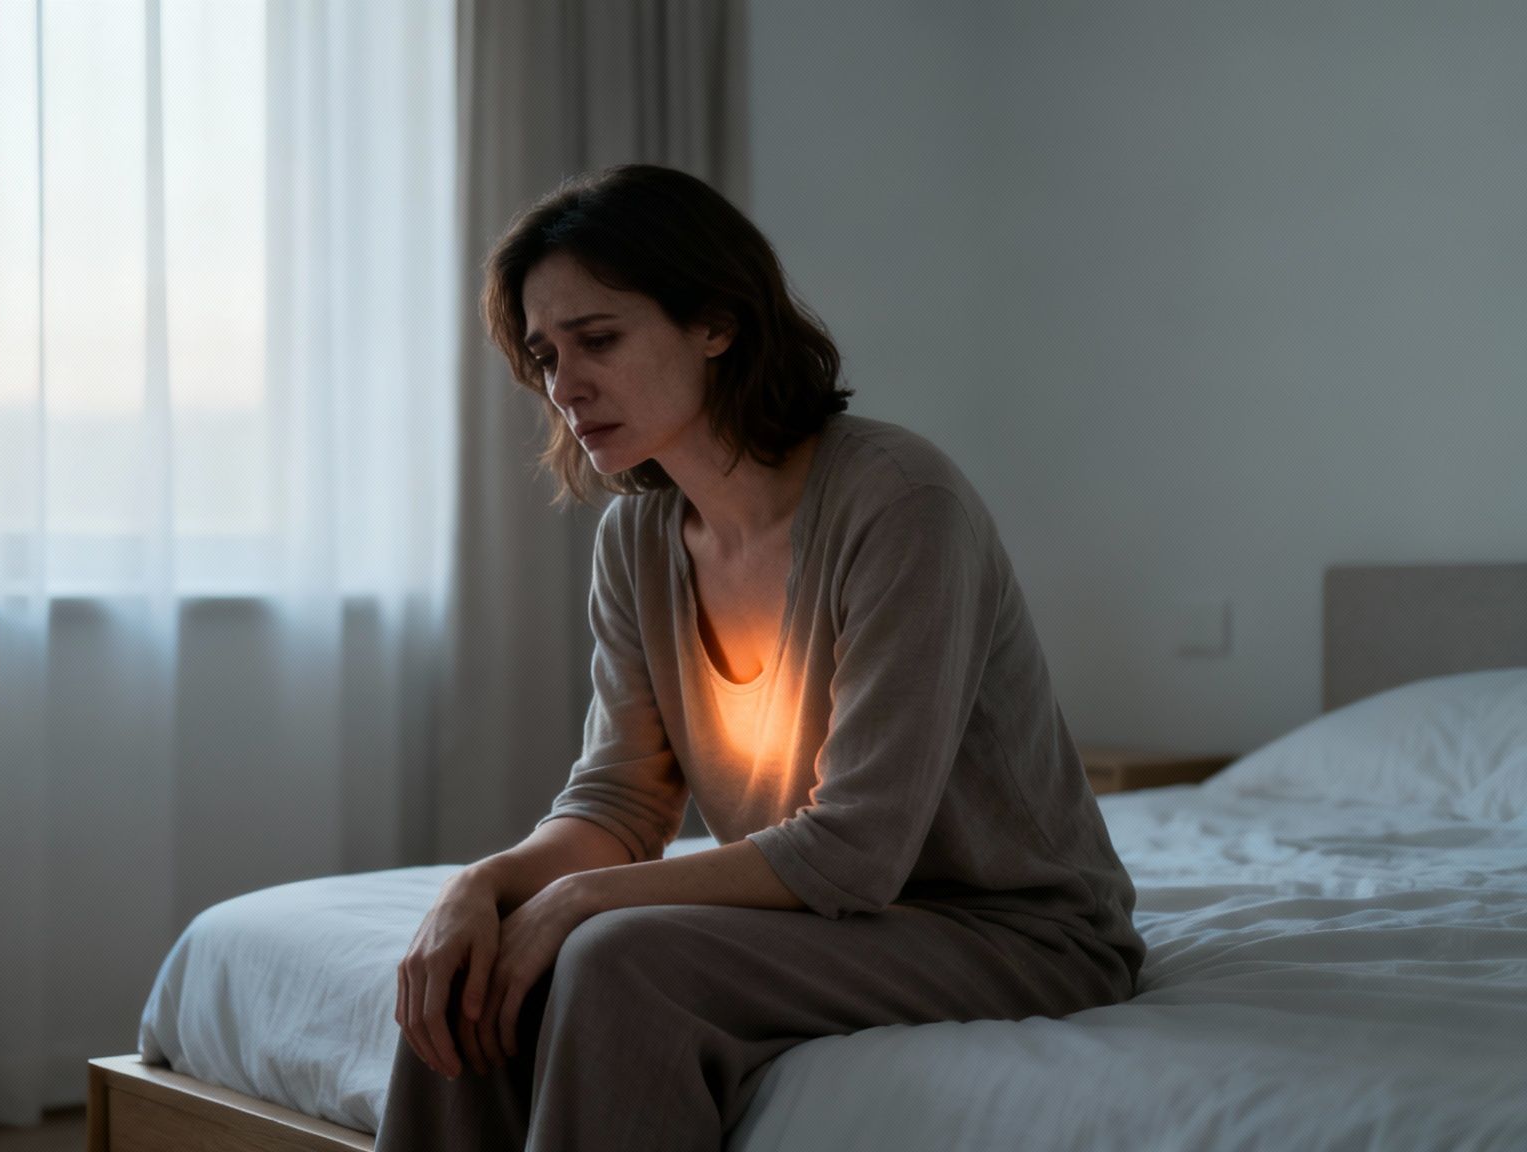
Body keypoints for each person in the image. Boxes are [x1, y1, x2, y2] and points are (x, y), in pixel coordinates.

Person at [375, 163, 1145, 1152]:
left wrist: (576, 899)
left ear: (716, 322)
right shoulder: (637, 541)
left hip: (1014, 933)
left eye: (598, 340)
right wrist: (480, 888)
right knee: (475, 965)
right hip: (835, 923)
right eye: (545, 356)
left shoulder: (901, 504)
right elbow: (618, 806)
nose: (564, 387)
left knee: (614, 957)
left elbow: (855, 849)